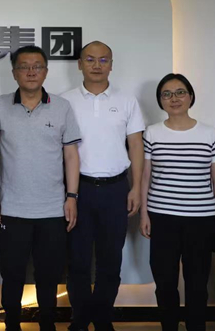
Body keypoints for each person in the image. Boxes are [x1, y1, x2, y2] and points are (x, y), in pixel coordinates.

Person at [0, 45, 81, 331]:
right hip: (12, 207)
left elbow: (71, 155)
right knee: (12, 274)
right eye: (24, 67)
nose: (31, 72)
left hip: (52, 208)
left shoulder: (62, 107)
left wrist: (72, 196)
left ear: (46, 71)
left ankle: (47, 324)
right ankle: (12, 325)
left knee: (49, 275)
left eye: (37, 66)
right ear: (14, 72)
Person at [139, 73, 215, 331]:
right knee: (165, 283)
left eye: (180, 92)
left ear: (191, 96)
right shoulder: (152, 133)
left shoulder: (209, 133)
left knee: (197, 283)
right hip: (162, 217)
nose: (174, 98)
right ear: (160, 100)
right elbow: (145, 176)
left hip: (201, 220)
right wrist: (144, 214)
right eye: (167, 94)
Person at [62, 41, 145, 331]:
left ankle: (102, 317)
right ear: (79, 64)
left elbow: (136, 145)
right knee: (78, 260)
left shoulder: (127, 100)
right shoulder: (64, 101)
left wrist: (136, 187)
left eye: (103, 60)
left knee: (111, 260)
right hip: (78, 190)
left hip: (116, 189)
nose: (96, 65)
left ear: (111, 64)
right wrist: (69, 194)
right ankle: (80, 318)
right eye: (90, 59)